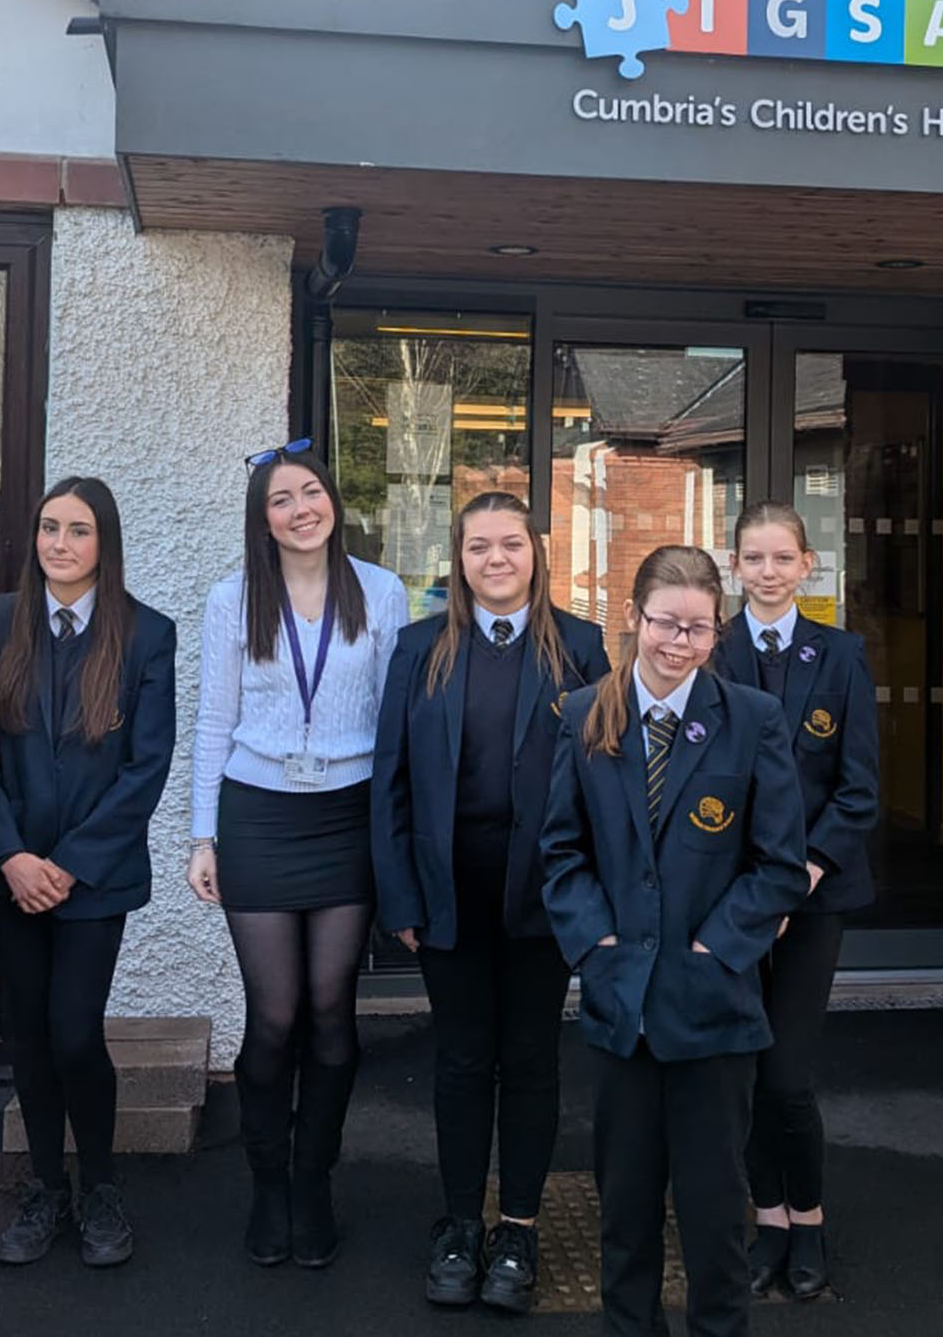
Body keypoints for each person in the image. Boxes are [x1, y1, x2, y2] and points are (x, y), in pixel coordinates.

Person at [540, 544, 809, 1337]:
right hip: (622, 1004)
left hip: (712, 1009)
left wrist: (716, 948)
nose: (678, 643)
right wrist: (597, 944)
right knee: (624, 1212)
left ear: (717, 630)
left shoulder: (751, 720)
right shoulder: (583, 715)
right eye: (665, 624)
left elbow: (778, 865)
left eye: (697, 628)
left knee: (714, 1214)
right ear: (632, 617)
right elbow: (560, 852)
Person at [372, 491, 610, 1313]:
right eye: (479, 546)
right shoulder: (419, 648)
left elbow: (605, 781)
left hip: (545, 897)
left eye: (511, 543)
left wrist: (593, 902)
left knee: (534, 1060)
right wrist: (400, 897)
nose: (496, 558)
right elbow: (391, 780)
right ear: (460, 557)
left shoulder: (580, 646)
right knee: (463, 1061)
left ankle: (519, 1229)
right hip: (449, 894)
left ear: (535, 552)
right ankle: (460, 1225)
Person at [186, 439, 408, 1270]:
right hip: (259, 816)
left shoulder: (380, 592)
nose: (300, 509)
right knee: (274, 1015)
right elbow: (214, 721)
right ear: (263, 519)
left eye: (311, 492)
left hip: (348, 815)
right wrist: (202, 835)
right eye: (281, 499)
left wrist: (396, 835)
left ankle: (314, 1181)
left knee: (330, 1010)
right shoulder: (233, 598)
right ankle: (268, 1184)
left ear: (333, 502)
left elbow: (394, 721)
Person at [0, 477, 176, 1271]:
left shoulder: (147, 634)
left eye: (79, 530)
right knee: (26, 1031)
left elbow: (146, 768)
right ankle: (46, 1187)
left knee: (74, 1032)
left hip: (95, 877)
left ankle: (100, 1186)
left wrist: (69, 865)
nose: (60, 543)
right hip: (11, 871)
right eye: (49, 527)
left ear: (105, 543)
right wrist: (12, 856)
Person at [712, 501, 879, 1301]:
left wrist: (800, 873)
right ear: (734, 567)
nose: (768, 572)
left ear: (807, 565)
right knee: (744, 1067)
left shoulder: (842, 656)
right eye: (754, 558)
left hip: (813, 895)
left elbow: (858, 789)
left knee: (787, 1074)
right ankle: (768, 1217)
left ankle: (808, 1218)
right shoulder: (713, 652)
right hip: (734, 897)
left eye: (783, 558)